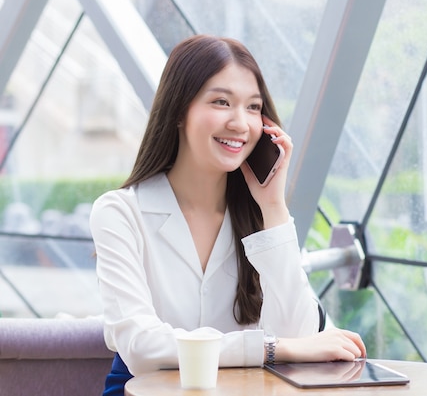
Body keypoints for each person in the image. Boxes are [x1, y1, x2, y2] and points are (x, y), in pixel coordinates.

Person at [89, 34, 366, 396]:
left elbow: (302, 334)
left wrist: (273, 207)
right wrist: (270, 348)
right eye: (222, 102)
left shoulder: (261, 217)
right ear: (178, 110)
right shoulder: (120, 212)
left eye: (253, 107)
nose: (240, 123)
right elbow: (141, 347)